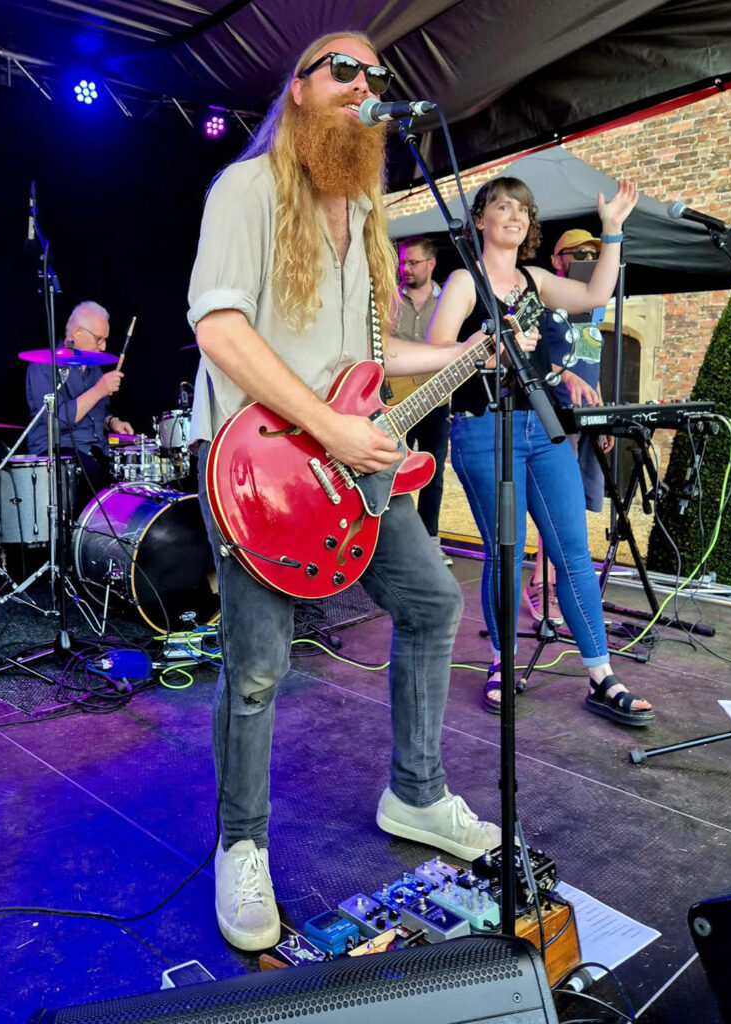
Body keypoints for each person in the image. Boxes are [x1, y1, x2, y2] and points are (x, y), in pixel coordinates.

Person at [187, 31, 505, 953]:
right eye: (342, 69)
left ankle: (415, 792)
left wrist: (459, 354)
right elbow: (219, 327)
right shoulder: (247, 188)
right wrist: (328, 430)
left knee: (432, 601)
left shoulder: (366, 209)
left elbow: (369, 356)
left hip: (351, 453)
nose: (363, 84)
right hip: (257, 466)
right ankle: (240, 845)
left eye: (375, 74)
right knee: (257, 666)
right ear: (297, 90)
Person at [427, 175, 654, 727]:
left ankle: (601, 675)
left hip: (542, 426)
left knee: (572, 550)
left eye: (523, 210)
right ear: (480, 219)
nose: (514, 216)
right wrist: (488, 355)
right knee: (504, 551)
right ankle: (502, 662)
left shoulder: (535, 280)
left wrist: (613, 231)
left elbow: (595, 296)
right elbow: (436, 355)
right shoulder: (464, 281)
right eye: (502, 206)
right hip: (484, 427)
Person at [522, 229, 614, 625]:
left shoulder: (592, 309)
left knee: (578, 503)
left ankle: (565, 584)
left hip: (584, 414)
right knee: (557, 503)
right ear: (557, 259)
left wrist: (601, 412)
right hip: (554, 412)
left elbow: (591, 364)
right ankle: (542, 584)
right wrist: (564, 377)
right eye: (578, 253)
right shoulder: (543, 301)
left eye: (593, 253)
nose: (587, 259)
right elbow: (532, 356)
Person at [25, 300, 133, 496]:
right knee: (95, 478)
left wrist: (112, 422)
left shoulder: (94, 368)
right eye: (99, 339)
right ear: (77, 333)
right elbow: (56, 421)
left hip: (97, 452)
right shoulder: (43, 366)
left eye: (105, 340)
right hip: (60, 455)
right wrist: (99, 390)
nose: (103, 347)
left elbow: (98, 412)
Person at [392, 235, 452, 564]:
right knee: (392, 471)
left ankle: (430, 542)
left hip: (435, 402)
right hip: (395, 403)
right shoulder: (389, 298)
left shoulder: (449, 303)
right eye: (403, 262)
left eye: (413, 262)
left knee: (433, 473)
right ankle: (393, 545)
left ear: (431, 263)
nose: (406, 268)